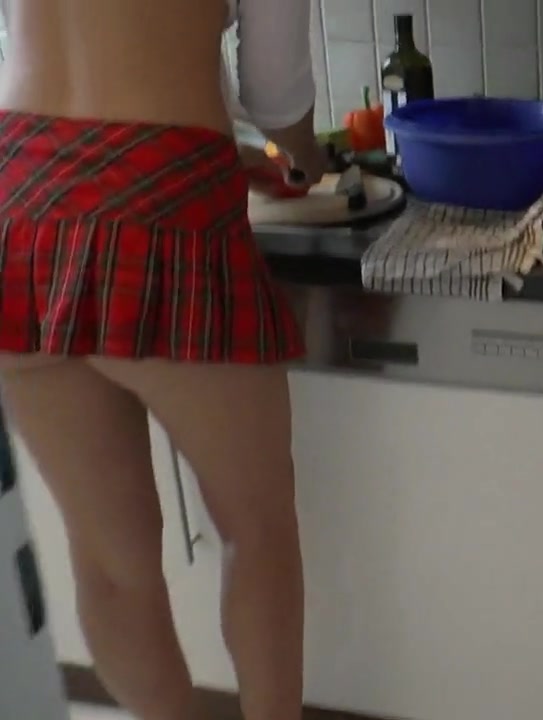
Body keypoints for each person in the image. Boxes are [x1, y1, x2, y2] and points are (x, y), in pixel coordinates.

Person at [0, 0, 325, 718]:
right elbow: (276, 95)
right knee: (257, 533)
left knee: (109, 563)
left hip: (20, 193)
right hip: (165, 197)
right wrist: (304, 159)